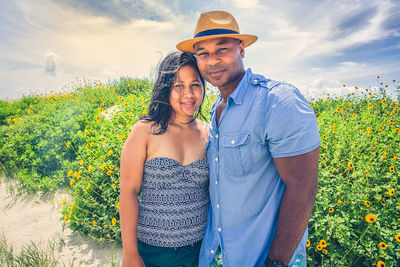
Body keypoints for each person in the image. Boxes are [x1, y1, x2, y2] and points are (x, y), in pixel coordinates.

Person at [176, 11, 320, 267]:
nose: (212, 61)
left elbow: (303, 190)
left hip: (262, 258)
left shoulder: (276, 101)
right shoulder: (216, 108)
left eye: (222, 50)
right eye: (203, 53)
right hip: (217, 255)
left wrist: (275, 263)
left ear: (241, 49)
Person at [119, 51, 210, 267]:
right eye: (179, 85)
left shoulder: (208, 133)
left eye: (195, 84)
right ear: (166, 87)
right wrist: (131, 254)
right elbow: (129, 193)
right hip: (152, 253)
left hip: (199, 251)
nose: (188, 93)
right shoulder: (145, 131)